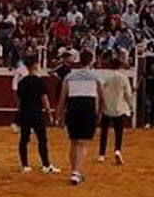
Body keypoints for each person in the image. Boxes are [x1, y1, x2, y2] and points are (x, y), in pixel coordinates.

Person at [59, 50, 106, 186]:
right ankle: (77, 172)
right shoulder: (95, 76)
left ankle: (75, 171)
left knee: (74, 142)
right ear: (91, 61)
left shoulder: (70, 76)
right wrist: (100, 114)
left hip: (73, 108)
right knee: (82, 143)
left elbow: (62, 98)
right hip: (87, 108)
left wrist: (60, 116)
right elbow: (102, 98)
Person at [15, 58, 59, 174]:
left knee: (24, 139)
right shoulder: (39, 82)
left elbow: (18, 100)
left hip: (25, 113)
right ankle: (46, 165)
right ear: (35, 66)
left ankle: (24, 165)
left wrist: (20, 112)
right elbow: (44, 100)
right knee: (42, 139)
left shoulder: (22, 82)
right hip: (36, 114)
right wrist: (49, 113)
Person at [97, 58, 135, 165]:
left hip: (106, 108)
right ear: (120, 66)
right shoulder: (123, 78)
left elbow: (100, 91)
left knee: (104, 131)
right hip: (119, 108)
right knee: (119, 132)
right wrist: (131, 107)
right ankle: (117, 150)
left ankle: (102, 155)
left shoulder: (105, 77)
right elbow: (128, 95)